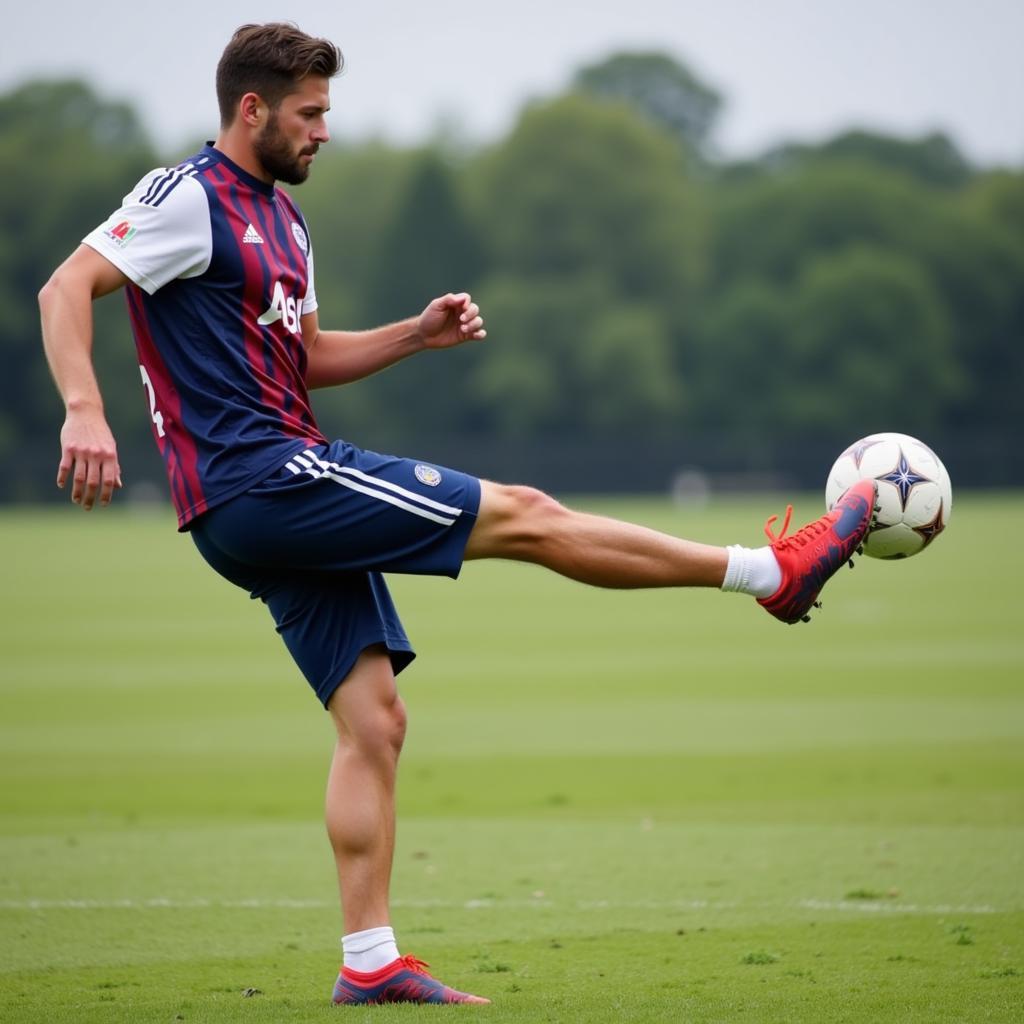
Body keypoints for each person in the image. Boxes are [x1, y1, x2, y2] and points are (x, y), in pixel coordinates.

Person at [38, 22, 876, 1007]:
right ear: (252, 110)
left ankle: (370, 961)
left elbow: (300, 359)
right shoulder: (185, 196)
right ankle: (765, 573)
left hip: (258, 496)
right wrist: (85, 409)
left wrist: (412, 337)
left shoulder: (288, 224)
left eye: (328, 114)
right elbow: (68, 285)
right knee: (526, 512)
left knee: (375, 721)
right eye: (310, 114)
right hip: (263, 479)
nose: (324, 132)